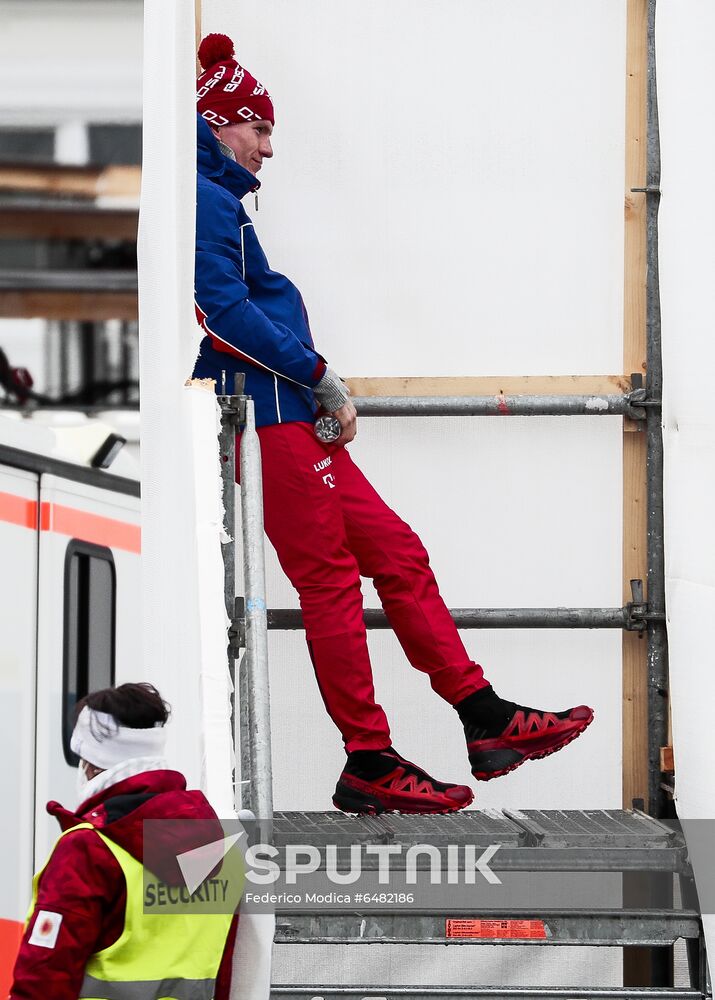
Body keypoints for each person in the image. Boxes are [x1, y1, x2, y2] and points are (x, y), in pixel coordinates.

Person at [193, 34, 594, 816]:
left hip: (288, 413)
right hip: (266, 413)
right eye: (259, 130)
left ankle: (482, 716)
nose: (268, 149)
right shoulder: (204, 200)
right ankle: (368, 757)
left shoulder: (217, 200)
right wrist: (318, 376)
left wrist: (312, 390)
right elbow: (220, 312)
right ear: (219, 124)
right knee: (331, 581)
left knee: (398, 554)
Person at [10, 683, 239, 1000]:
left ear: (90, 764)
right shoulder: (217, 844)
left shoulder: (89, 850)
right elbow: (228, 973)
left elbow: (44, 979)